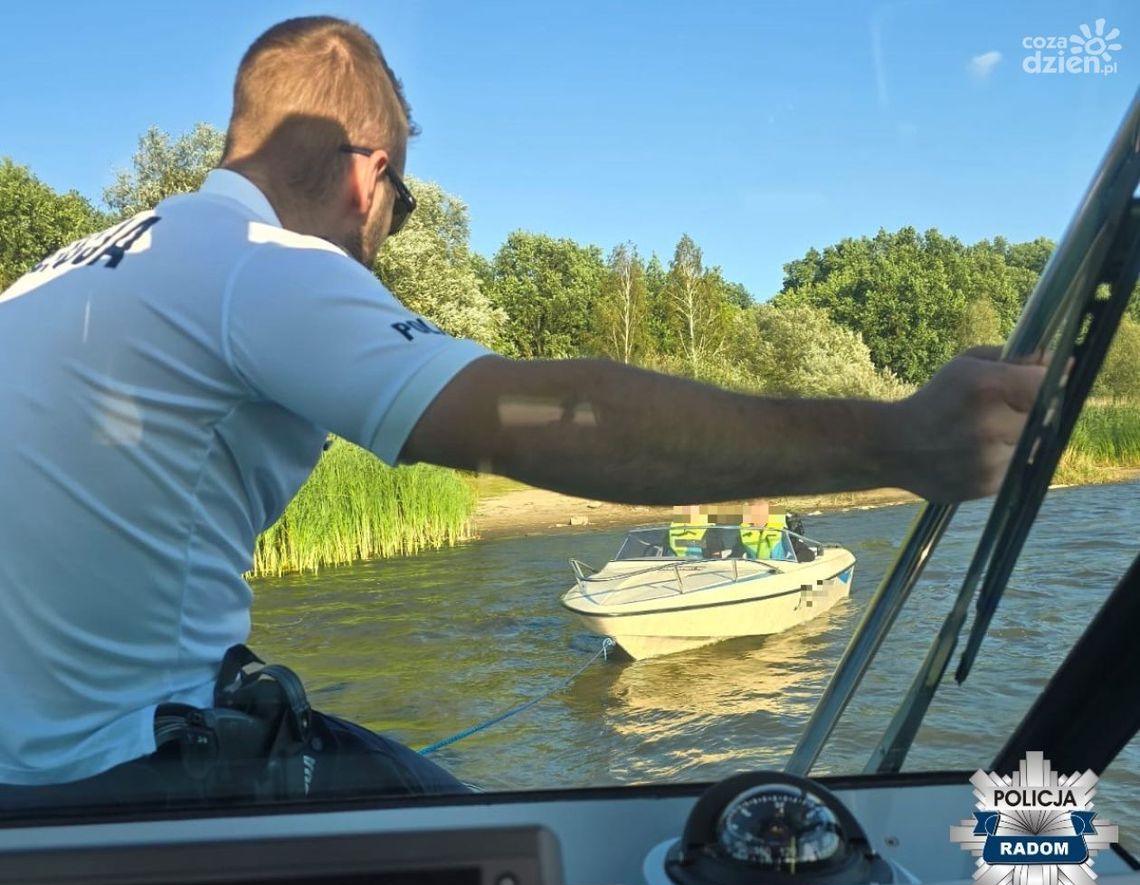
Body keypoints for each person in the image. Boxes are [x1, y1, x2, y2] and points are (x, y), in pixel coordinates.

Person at [0, 16, 1047, 807]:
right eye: (403, 205)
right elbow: (540, 415)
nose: (390, 235)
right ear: (370, 178)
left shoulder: (69, 270)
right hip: (126, 773)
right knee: (502, 852)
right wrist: (898, 438)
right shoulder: (260, 265)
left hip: (33, 768)